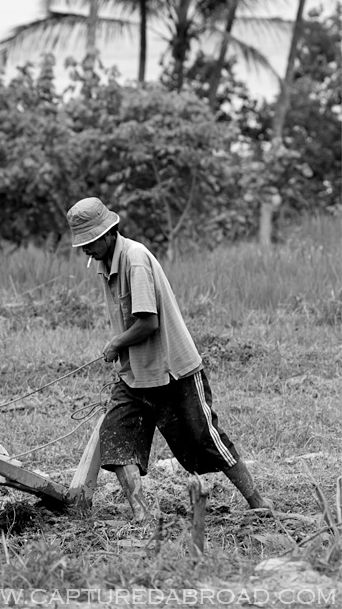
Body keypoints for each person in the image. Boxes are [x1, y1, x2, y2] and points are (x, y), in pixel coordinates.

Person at [66, 197, 271, 522]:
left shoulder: (134, 259)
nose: (86, 251)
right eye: (82, 245)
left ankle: (257, 501)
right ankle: (142, 514)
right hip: (135, 374)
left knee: (205, 438)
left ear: (108, 234)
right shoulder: (105, 264)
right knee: (117, 436)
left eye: (90, 243)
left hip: (171, 370)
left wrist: (116, 342)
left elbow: (148, 322)